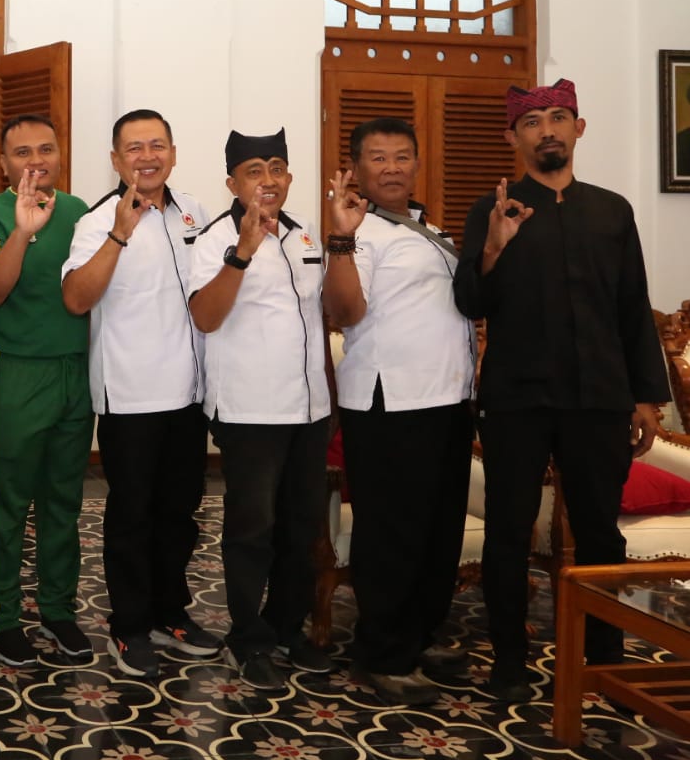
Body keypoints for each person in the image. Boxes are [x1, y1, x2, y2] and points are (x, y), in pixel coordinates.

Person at [453, 79, 668, 703]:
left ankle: (604, 658)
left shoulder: (612, 210)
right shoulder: (492, 209)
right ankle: (509, 663)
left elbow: (632, 307)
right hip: (516, 398)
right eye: (532, 122)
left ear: (578, 127)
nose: (546, 130)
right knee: (509, 531)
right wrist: (494, 248)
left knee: (600, 532)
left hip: (598, 396)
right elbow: (469, 302)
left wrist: (645, 395)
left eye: (557, 117)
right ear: (512, 137)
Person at [61, 109, 221, 680]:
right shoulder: (96, 220)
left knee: (180, 512)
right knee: (132, 514)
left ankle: (169, 613)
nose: (147, 157)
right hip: (129, 394)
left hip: (189, 393)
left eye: (157, 145)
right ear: (115, 159)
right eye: (134, 148)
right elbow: (76, 299)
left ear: (173, 153)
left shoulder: (195, 212)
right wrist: (119, 234)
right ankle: (128, 625)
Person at [323, 117, 477, 706]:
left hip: (447, 399)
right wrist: (341, 240)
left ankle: (420, 634)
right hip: (390, 403)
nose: (392, 167)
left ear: (417, 163)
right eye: (378, 157)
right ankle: (384, 652)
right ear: (356, 168)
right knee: (393, 533)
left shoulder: (427, 227)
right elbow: (344, 312)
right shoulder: (358, 231)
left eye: (402, 156)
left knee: (438, 531)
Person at [187, 128, 334, 695]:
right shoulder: (213, 239)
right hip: (249, 409)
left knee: (302, 527)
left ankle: (286, 627)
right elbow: (205, 317)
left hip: (310, 409)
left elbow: (319, 317)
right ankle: (248, 638)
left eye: (276, 167)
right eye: (254, 171)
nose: (267, 180)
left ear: (289, 177)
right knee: (253, 528)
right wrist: (242, 253)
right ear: (232, 183)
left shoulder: (305, 234)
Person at [0, 113, 94, 667]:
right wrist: (21, 231)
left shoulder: (82, 212)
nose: (36, 161)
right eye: (22, 153)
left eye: (46, 149)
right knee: (9, 503)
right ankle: (2, 615)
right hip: (15, 370)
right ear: (3, 163)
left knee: (64, 501)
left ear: (61, 154)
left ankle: (58, 610)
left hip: (76, 370)